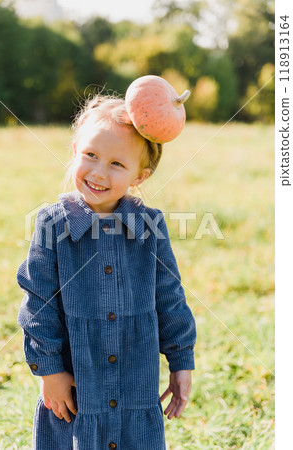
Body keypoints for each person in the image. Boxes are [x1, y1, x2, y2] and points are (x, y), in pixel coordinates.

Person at [17, 95, 197, 450]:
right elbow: (38, 304)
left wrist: (181, 362)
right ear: (74, 150)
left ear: (140, 174)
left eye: (117, 163)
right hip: (76, 390)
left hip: (136, 384)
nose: (98, 172)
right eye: (90, 155)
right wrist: (49, 370)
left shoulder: (150, 226)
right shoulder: (53, 224)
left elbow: (170, 298)